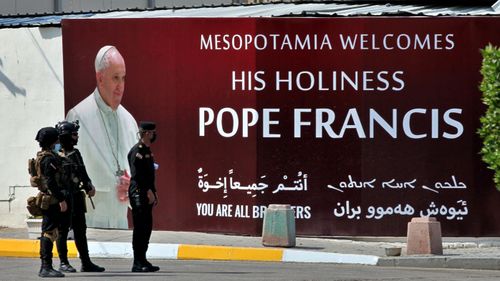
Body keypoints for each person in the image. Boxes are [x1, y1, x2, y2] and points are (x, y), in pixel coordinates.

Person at [66, 45, 138, 229]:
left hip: (121, 220)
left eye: (123, 78)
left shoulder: (129, 120)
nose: (120, 86)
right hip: (90, 220)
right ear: (100, 78)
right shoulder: (78, 116)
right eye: (115, 78)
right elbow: (70, 171)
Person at [55, 120, 105, 273]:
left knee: (80, 230)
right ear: (66, 136)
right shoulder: (55, 155)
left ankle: (86, 262)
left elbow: (82, 172)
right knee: (62, 231)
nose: (77, 137)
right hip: (63, 198)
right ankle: (63, 262)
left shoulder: (75, 153)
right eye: (74, 134)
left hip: (76, 196)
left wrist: (89, 185)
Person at [34, 127, 67, 278]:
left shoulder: (42, 156)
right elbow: (51, 181)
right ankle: (45, 267)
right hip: (51, 199)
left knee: (50, 231)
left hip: (49, 197)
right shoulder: (48, 159)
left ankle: (47, 266)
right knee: (49, 232)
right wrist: (61, 199)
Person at [128, 121, 160, 272]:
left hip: (147, 192)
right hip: (138, 193)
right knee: (140, 228)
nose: (154, 135)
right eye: (153, 132)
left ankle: (143, 259)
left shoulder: (148, 151)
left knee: (147, 227)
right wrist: (147, 191)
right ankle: (137, 262)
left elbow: (149, 175)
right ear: (147, 133)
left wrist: (154, 192)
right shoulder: (137, 151)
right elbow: (137, 176)